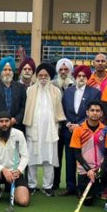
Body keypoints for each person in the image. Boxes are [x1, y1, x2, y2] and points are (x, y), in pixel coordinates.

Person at [56, 64, 100, 193]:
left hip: (86, 131)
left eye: (84, 76)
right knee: (69, 159)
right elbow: (62, 109)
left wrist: (79, 125)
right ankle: (70, 187)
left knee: (84, 159)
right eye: (79, 75)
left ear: (87, 77)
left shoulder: (95, 92)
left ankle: (83, 186)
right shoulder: (68, 91)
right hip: (69, 131)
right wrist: (69, 124)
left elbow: (95, 111)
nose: (81, 78)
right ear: (75, 77)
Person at [23, 63, 65, 196]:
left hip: (50, 131)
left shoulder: (56, 91)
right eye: (40, 75)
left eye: (45, 75)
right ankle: (31, 185)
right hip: (33, 129)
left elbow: (58, 110)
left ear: (50, 77)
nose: (42, 78)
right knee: (31, 159)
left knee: (49, 159)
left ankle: (48, 186)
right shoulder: (30, 90)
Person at [0, 112, 30, 206]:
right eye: (1, 121)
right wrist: (3, 170)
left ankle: (13, 189)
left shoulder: (19, 134)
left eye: (6, 121)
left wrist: (19, 170)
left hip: (15, 173)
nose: (4, 124)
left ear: (10, 122)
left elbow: (25, 156)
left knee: (23, 202)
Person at [69, 101, 107, 202]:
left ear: (101, 113)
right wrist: (88, 169)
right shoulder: (78, 130)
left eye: (97, 111)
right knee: (87, 201)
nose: (95, 113)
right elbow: (77, 153)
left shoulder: (106, 130)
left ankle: (105, 190)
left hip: (100, 169)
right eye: (92, 110)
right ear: (87, 112)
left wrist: (101, 168)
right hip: (85, 170)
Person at [0, 56, 27, 133]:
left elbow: (23, 107)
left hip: (16, 127)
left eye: (10, 70)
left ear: (13, 72)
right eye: (5, 70)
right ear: (0, 72)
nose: (7, 72)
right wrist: (0, 120)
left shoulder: (21, 87)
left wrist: (16, 119)